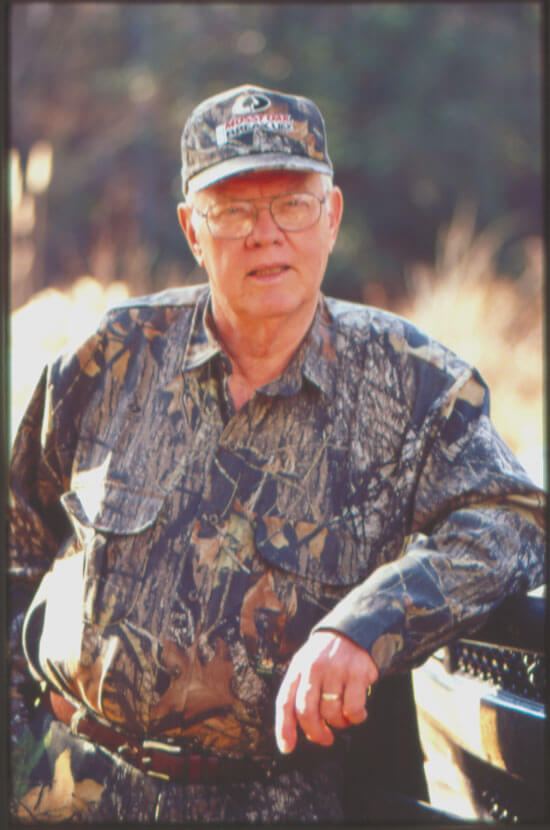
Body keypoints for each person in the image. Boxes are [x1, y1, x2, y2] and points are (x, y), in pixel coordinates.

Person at [8, 84, 545, 824]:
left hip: (269, 802)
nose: (265, 234)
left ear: (332, 217)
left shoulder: (408, 381)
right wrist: (16, 743)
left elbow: (516, 519)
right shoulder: (111, 356)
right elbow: (17, 545)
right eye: (232, 210)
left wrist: (366, 625)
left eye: (292, 204)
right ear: (192, 230)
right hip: (65, 786)